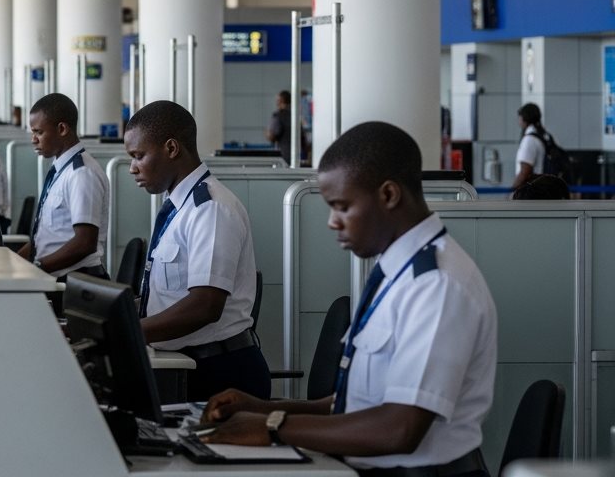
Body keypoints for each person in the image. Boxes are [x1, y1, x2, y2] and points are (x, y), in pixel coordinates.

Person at [201, 122, 497, 477]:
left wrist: (272, 427)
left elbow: (399, 428)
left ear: (388, 195)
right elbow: (360, 404)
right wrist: (263, 408)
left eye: (341, 206)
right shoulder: (398, 272)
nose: (332, 222)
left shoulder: (436, 284)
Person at [126, 101, 270, 400]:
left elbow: (205, 305)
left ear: (171, 148)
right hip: (186, 365)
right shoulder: (181, 208)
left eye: (139, 156)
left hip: (218, 373)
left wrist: (128, 332)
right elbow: (171, 293)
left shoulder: (210, 209)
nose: (133, 167)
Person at [17, 93, 108, 285]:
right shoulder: (60, 169)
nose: (34, 139)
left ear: (62, 129)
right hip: (54, 276)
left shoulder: (81, 174)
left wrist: (36, 268)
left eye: (39, 132)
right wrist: (14, 263)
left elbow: (84, 243)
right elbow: (45, 237)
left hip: (74, 281)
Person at [512, 102, 549, 191]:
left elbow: (524, 171)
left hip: (531, 190)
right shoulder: (544, 136)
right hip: (542, 186)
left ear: (524, 118)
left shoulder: (529, 140)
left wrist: (512, 191)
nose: (518, 120)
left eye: (520, 117)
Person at [266, 90, 292, 164]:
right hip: (296, 156)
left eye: (277, 100)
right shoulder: (295, 116)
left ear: (281, 100)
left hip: (282, 156)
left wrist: (267, 132)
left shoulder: (277, 116)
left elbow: (271, 136)